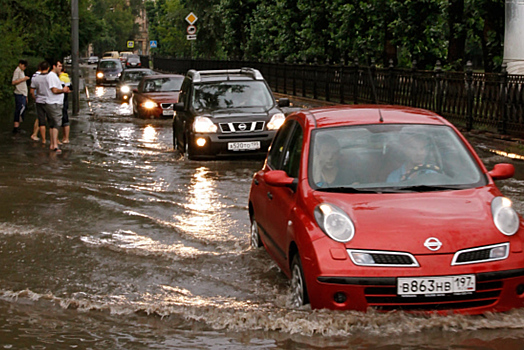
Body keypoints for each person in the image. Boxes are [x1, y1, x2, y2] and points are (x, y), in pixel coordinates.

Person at [44, 60, 69, 153]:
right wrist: (63, 90)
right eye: (59, 66)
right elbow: (54, 90)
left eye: (61, 66)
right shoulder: (51, 76)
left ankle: (52, 144)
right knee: (56, 124)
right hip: (54, 103)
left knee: (52, 125)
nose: (61, 68)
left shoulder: (53, 76)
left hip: (52, 102)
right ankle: (55, 145)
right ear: (53, 66)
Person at [30, 61, 50, 143]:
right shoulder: (50, 77)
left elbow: (32, 91)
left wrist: (35, 97)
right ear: (48, 68)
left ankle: (43, 139)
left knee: (41, 119)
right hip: (49, 100)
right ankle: (53, 140)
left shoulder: (35, 77)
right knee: (50, 120)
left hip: (39, 100)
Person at [12, 59, 30, 133]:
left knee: (22, 108)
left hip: (23, 93)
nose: (24, 67)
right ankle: (16, 126)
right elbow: (13, 82)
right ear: (20, 64)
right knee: (20, 109)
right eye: (24, 66)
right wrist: (24, 79)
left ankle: (17, 126)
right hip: (19, 93)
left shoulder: (21, 71)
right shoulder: (17, 71)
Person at [59, 66, 71, 143]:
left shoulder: (60, 78)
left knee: (62, 118)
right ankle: (65, 138)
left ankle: (65, 138)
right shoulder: (67, 78)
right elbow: (70, 88)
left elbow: (61, 89)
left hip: (61, 100)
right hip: (65, 100)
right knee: (65, 117)